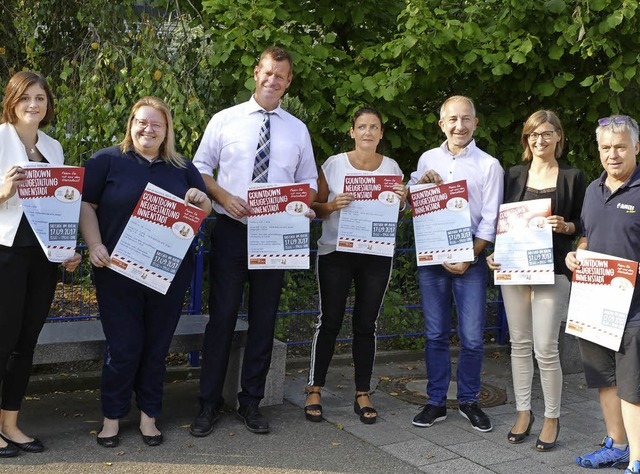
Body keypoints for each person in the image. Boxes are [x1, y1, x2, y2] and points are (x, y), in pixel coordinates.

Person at [190, 46, 318, 436]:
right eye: (267, 72)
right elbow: (198, 169)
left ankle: (251, 403)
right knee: (222, 320)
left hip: (277, 236)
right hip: (231, 231)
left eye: (280, 75)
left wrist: (302, 207)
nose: (272, 80)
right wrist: (223, 197)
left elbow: (309, 183)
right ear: (255, 73)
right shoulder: (225, 120)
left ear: (288, 82)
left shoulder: (297, 129)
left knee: (264, 321)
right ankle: (208, 404)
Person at [79, 96, 211, 448]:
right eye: (141, 121)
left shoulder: (181, 167)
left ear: (166, 130)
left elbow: (204, 208)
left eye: (156, 124)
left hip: (167, 274)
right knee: (123, 348)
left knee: (156, 347)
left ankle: (149, 416)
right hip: (116, 272)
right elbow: (86, 206)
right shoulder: (105, 161)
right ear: (130, 124)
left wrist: (201, 200)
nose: (147, 129)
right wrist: (94, 245)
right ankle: (111, 418)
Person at [486, 110, 586, 451]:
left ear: (559, 136)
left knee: (545, 347)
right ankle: (523, 411)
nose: (539, 140)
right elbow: (502, 222)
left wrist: (566, 227)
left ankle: (552, 416)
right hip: (514, 270)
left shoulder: (573, 176)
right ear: (526, 140)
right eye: (532, 135)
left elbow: (583, 226)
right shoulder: (513, 175)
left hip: (554, 270)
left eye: (546, 134)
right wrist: (494, 254)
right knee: (519, 345)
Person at [304, 107, 407, 425]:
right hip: (336, 252)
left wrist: (402, 201)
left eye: (373, 127)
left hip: (376, 255)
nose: (367, 132)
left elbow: (397, 215)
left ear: (380, 134)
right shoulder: (334, 165)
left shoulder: (391, 167)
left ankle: (363, 392)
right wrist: (332, 205)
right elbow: (314, 208)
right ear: (352, 132)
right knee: (330, 320)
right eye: (361, 126)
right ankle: (314, 389)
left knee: (366, 324)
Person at [407, 96, 503, 432]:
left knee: (473, 337)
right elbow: (413, 202)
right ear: (441, 124)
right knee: (434, 334)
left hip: (471, 262)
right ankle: (435, 402)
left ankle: (469, 400)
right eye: (452, 119)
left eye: (465, 119)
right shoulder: (427, 159)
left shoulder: (489, 165)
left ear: (476, 123)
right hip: (432, 260)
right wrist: (417, 186)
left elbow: (490, 220)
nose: (459, 126)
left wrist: (470, 256)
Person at [0, 71, 81, 456]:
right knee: (1, 341)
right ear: (12, 100)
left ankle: (11, 425)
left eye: (41, 98)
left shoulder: (55, 147)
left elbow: (60, 208)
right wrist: (2, 192)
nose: (34, 104)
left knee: (25, 344)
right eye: (26, 97)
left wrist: (68, 249)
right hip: (6, 254)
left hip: (44, 258)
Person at [566, 115, 640, 473]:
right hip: (594, 305)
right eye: (606, 147)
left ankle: (637, 461)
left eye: (621, 146)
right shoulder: (593, 190)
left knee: (633, 388)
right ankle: (618, 445)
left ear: (636, 148)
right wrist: (577, 254)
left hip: (635, 309)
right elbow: (587, 235)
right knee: (604, 379)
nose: (613, 154)